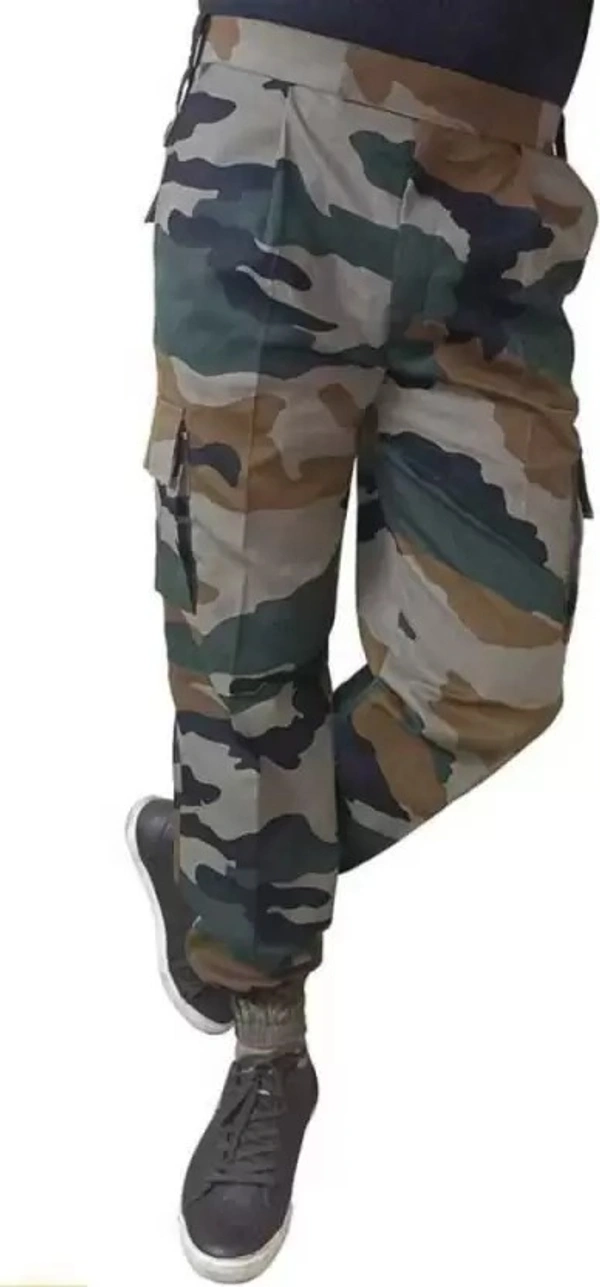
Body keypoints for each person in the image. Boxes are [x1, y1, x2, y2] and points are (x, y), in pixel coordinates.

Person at [127, 1, 595, 1279]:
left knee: (493, 676)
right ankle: (267, 1041)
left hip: (508, 181)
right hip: (282, 122)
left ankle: (215, 872)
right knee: (247, 644)